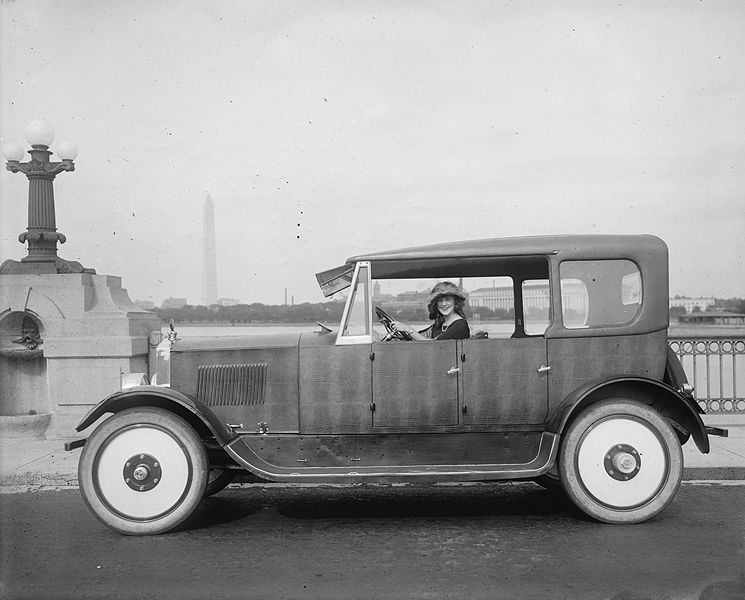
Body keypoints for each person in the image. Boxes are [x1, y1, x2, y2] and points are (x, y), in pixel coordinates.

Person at [393, 281, 471, 340]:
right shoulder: (440, 323)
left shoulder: (460, 325)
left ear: (455, 302)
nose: (443, 304)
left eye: (448, 300)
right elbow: (421, 335)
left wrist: (408, 329)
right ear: (435, 303)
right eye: (440, 300)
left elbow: (434, 345)